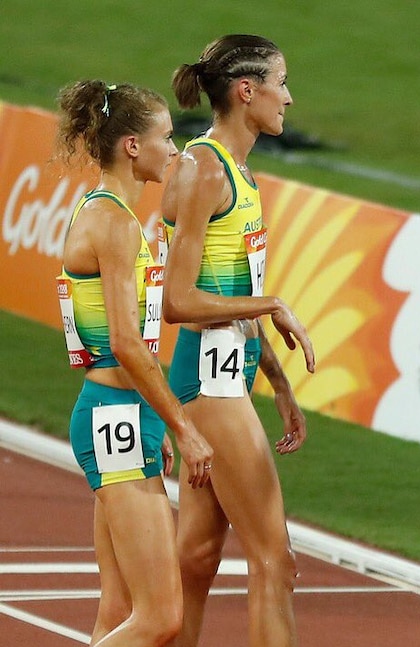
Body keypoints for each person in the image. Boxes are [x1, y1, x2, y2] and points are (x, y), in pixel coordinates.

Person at [160, 34, 315, 647]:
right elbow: (180, 303)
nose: (289, 97)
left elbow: (232, 294)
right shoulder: (202, 168)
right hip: (209, 381)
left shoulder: (236, 171)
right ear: (247, 91)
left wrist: (277, 384)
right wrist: (273, 303)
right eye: (281, 82)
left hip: (226, 379)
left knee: (195, 563)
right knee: (275, 563)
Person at [55, 80, 214, 647]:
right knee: (159, 619)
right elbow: (125, 343)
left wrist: (153, 418)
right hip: (112, 416)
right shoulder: (116, 224)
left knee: (117, 612)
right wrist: (184, 426)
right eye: (166, 138)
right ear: (130, 146)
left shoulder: (110, 213)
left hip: (121, 415)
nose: (175, 151)